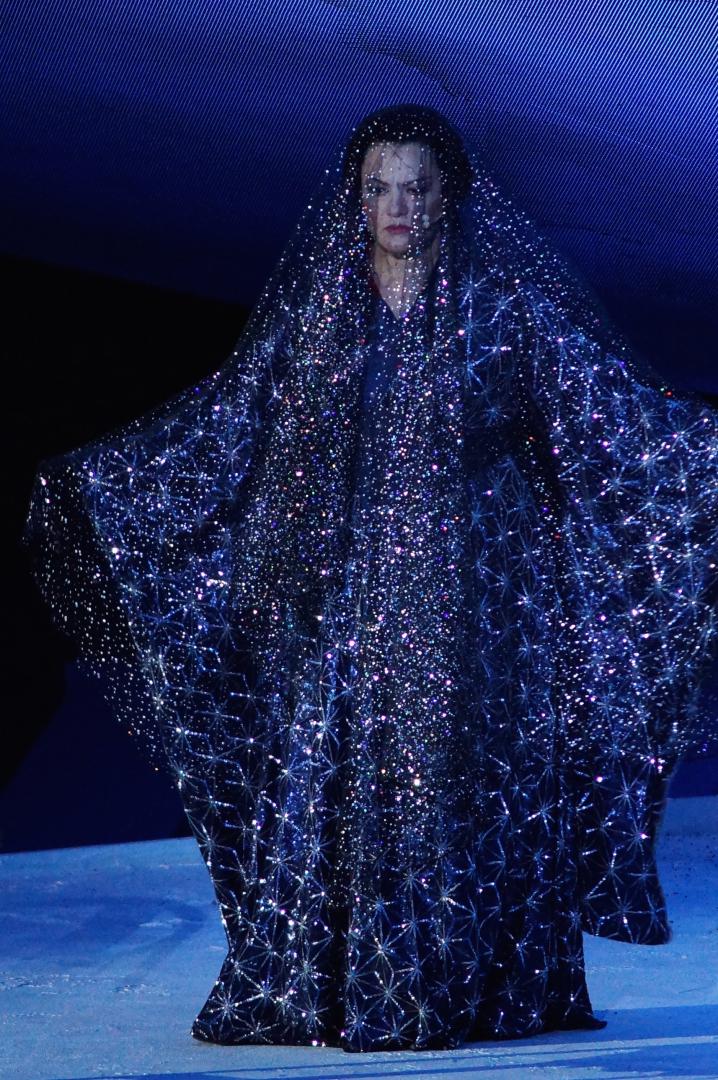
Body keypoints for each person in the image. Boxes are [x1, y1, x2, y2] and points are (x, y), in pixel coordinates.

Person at [24, 104, 718, 1052]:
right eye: (378, 188)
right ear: (355, 200)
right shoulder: (326, 314)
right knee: (359, 777)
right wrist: (107, 486)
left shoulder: (503, 310)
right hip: (358, 587)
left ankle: (476, 988)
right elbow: (237, 425)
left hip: (486, 591)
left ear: (448, 198)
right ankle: (367, 986)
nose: (397, 206)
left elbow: (611, 411)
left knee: (473, 781)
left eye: (415, 188)